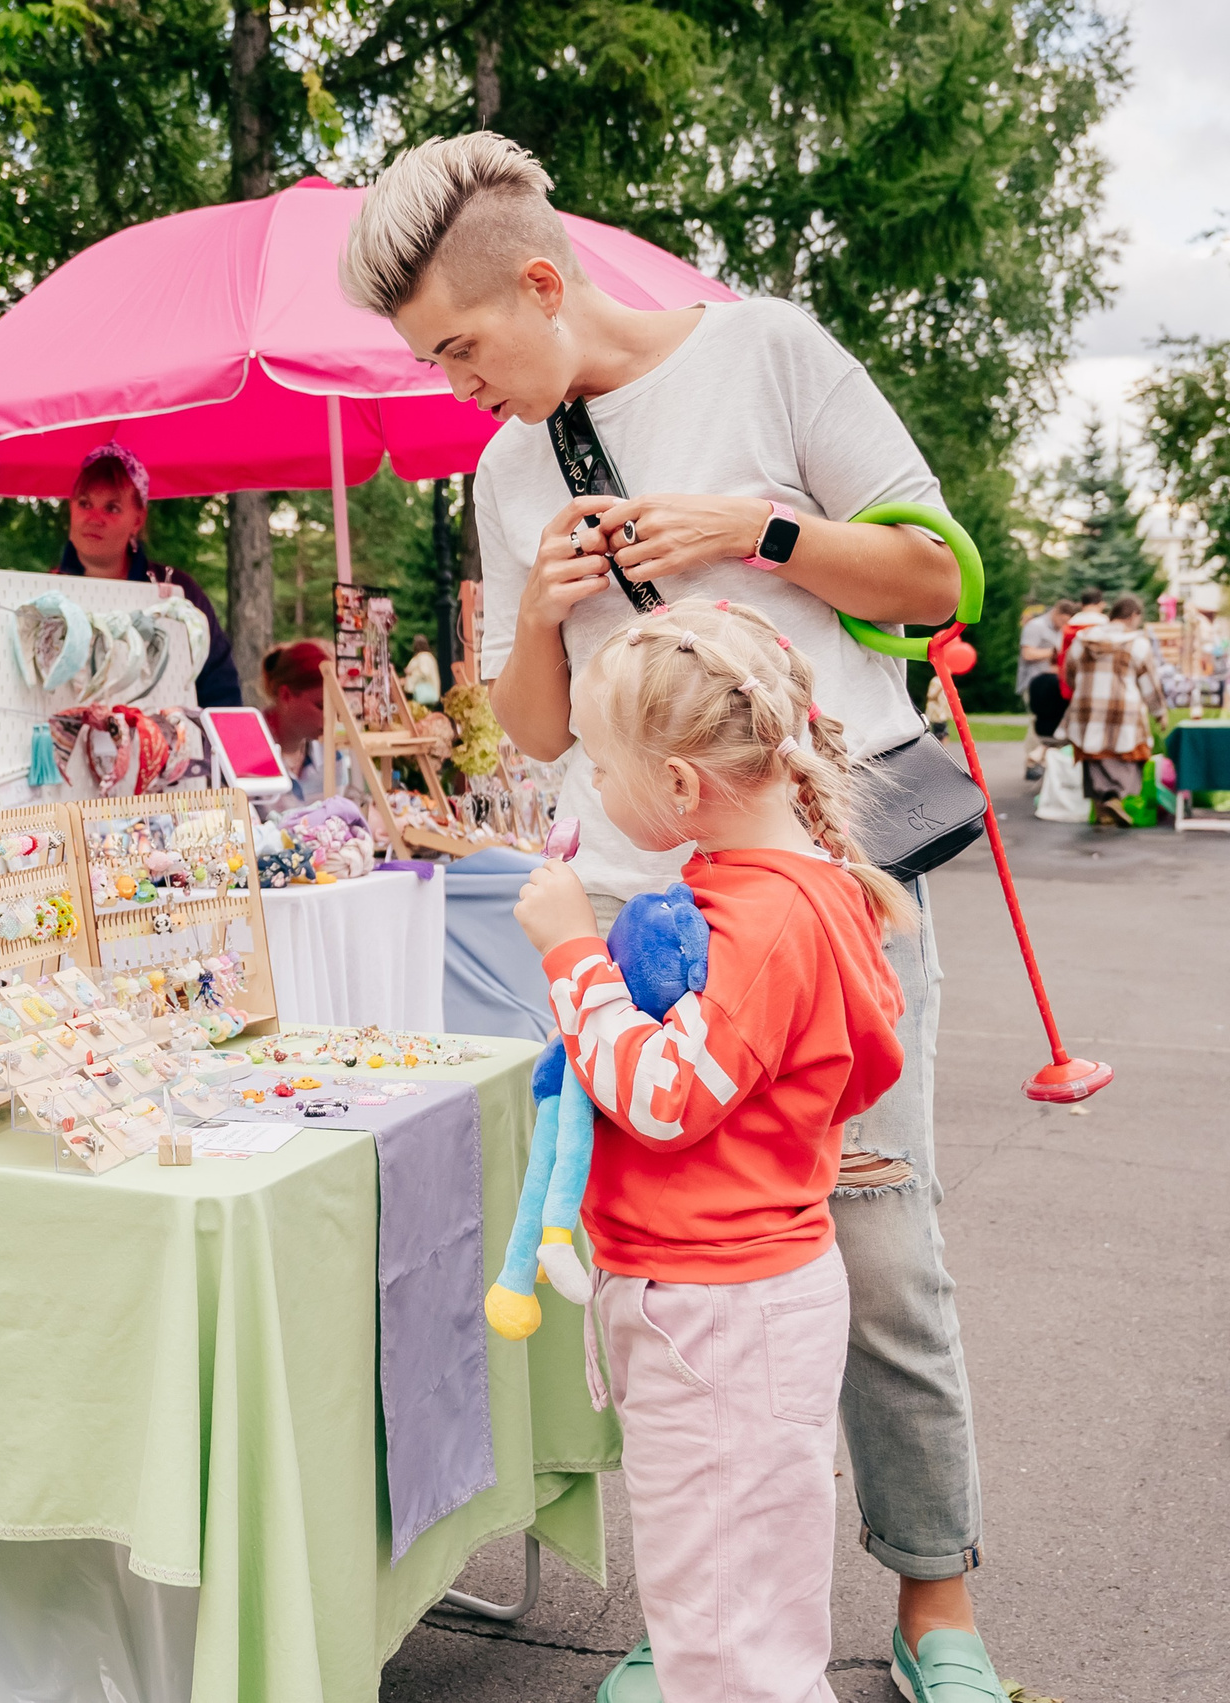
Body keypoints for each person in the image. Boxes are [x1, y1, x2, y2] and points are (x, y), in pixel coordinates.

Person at [343, 132, 1014, 1703]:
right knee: (669, 1270)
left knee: (877, 1243)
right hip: (642, 906)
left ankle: (936, 1597)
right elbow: (533, 730)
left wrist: (752, 531)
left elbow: (939, 580)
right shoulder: (510, 473)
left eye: (461, 346)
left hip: (822, 890)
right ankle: (713, 1608)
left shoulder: (765, 352)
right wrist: (540, 611)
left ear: (541, 281)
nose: (455, 382)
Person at [517, 601, 910, 1703]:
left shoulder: (758, 917)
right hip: (738, 1301)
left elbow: (664, 1096)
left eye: (601, 767)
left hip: (714, 1313)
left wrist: (572, 954)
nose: (594, 787)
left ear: (682, 785)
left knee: (725, 1634)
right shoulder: (797, 891)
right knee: (739, 1607)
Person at [55, 441, 244, 706]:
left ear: (137, 520)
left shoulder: (179, 593)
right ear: (71, 508)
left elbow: (222, 694)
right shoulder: (46, 596)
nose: (94, 518)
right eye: (85, 504)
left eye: (112, 508)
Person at [1059, 591, 1162, 827]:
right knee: (1129, 754)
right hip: (1124, 711)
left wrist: (1083, 691)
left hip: (1085, 710)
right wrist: (1159, 712)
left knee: (1093, 756)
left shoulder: (1082, 640)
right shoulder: (1137, 643)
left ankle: (1102, 811)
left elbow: (1069, 673)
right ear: (1134, 616)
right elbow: (1149, 683)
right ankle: (1113, 797)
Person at [261, 639, 333, 798]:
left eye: (336, 708)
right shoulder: (248, 744)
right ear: (286, 695)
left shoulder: (332, 752)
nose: (332, 717)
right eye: (321, 706)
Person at [1017, 599, 1076, 780]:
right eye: (1062, 620)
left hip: (1052, 683)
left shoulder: (1060, 630)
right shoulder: (1036, 626)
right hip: (1034, 682)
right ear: (1056, 612)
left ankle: (1045, 761)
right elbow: (1027, 653)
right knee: (1036, 722)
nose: (1064, 625)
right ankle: (1032, 763)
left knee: (1051, 720)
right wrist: (1056, 653)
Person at [402, 633, 443, 706]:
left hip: (423, 692)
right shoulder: (425, 656)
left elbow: (424, 672)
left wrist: (411, 672)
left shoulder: (424, 657)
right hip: (420, 692)